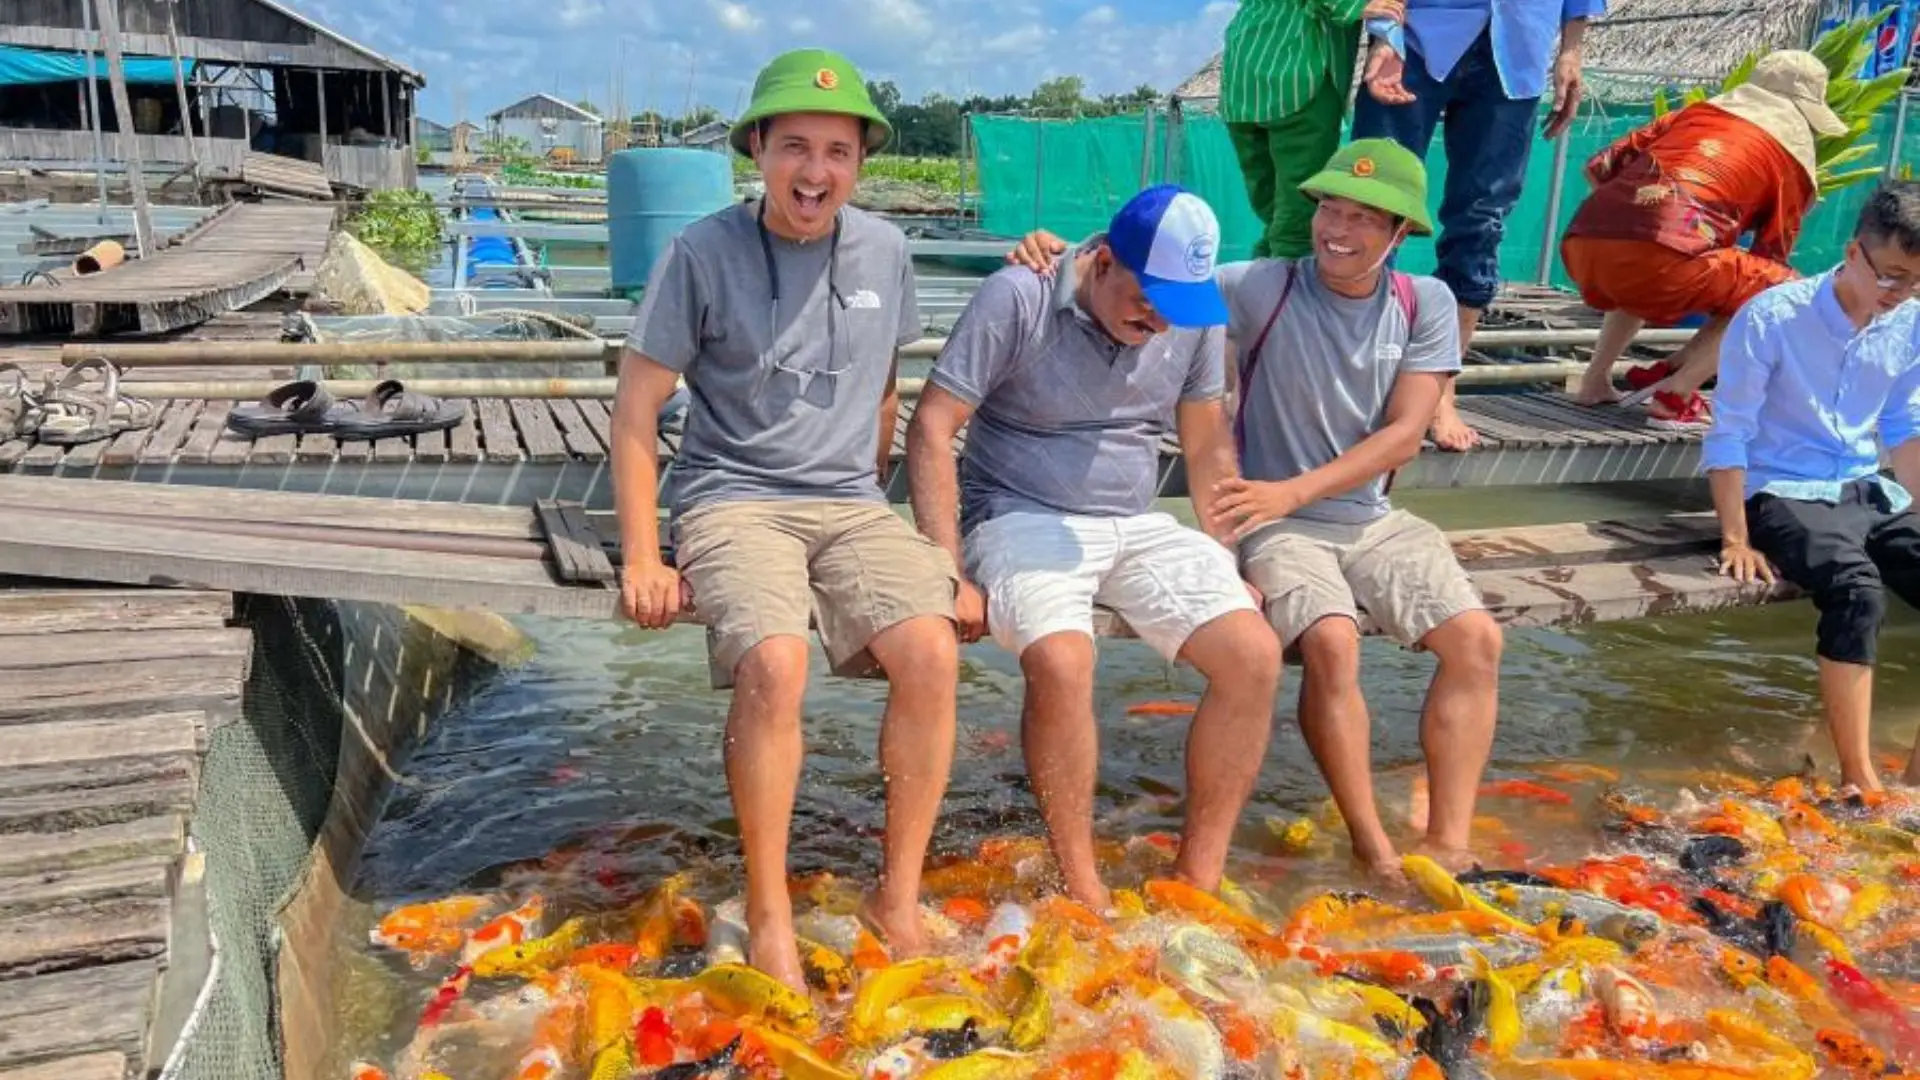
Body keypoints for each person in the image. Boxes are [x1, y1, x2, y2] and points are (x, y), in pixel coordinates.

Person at [1003, 140, 1504, 875]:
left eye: (1365, 217)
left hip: (1369, 518)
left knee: (1479, 642)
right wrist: (1064, 246)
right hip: (1278, 523)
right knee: (1332, 642)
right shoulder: (1263, 285)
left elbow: (1405, 434)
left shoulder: (1422, 302)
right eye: (1330, 208)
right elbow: (1155, 256)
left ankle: (1449, 843)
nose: (1339, 228)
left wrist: (1294, 489)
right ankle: (1373, 846)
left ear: (1402, 233)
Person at [608, 48, 961, 991]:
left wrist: (878, 483)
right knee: (775, 661)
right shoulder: (698, 254)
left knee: (932, 647)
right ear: (757, 148)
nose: (816, 173)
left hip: (850, 503)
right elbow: (637, 409)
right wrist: (644, 553)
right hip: (733, 495)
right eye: (796, 147)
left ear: (859, 163)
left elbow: (887, 374)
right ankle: (769, 911)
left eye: (839, 153)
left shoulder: (886, 249)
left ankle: (897, 892)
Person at [907, 185, 1282, 910]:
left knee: (1256, 654)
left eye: (1177, 303)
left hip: (1135, 522)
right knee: (1064, 658)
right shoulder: (1019, 296)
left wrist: (1232, 559)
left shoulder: (1192, 318)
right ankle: (1081, 883)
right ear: (1103, 260)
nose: (1161, 318)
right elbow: (931, 427)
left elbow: (1206, 448)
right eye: (1148, 298)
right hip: (1019, 515)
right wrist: (945, 570)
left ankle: (1198, 875)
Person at [1706, 181, 1920, 795]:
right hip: (1781, 490)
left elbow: (1903, 422)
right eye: (1892, 277)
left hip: (1863, 486)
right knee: (1858, 592)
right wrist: (1735, 537)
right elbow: (1731, 432)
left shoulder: (1908, 322)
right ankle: (1859, 778)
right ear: (1855, 252)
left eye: (1915, 284)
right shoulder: (1774, 316)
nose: (1900, 296)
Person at [1356, 0, 1605, 451]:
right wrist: (1383, 36)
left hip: (1518, 53)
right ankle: (1357, 378)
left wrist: (1571, 52)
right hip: (1418, 37)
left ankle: (1438, 387)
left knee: (1482, 218)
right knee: (1374, 198)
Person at [1564, 50, 1841, 427]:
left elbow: (1598, 168)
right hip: (1663, 263)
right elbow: (1772, 259)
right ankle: (1675, 396)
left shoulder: (1693, 115)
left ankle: (1595, 379)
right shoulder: (1791, 155)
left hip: (1583, 243)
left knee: (1654, 247)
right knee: (1781, 289)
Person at [1222, 0, 1410, 259]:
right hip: (1300, 66)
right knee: (1297, 223)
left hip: (1245, 71)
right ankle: (1289, 293)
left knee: (1276, 217)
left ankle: (1257, 289)